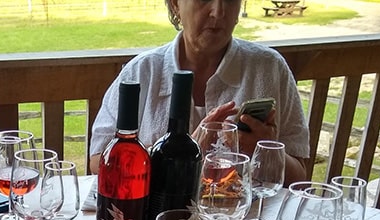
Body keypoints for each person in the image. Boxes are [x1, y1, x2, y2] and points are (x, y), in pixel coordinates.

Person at [89, 0, 310, 184]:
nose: (218, 11)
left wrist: (267, 151)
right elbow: (97, 162)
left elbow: (300, 175)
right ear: (175, 4)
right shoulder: (142, 72)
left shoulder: (269, 69)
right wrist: (176, 152)